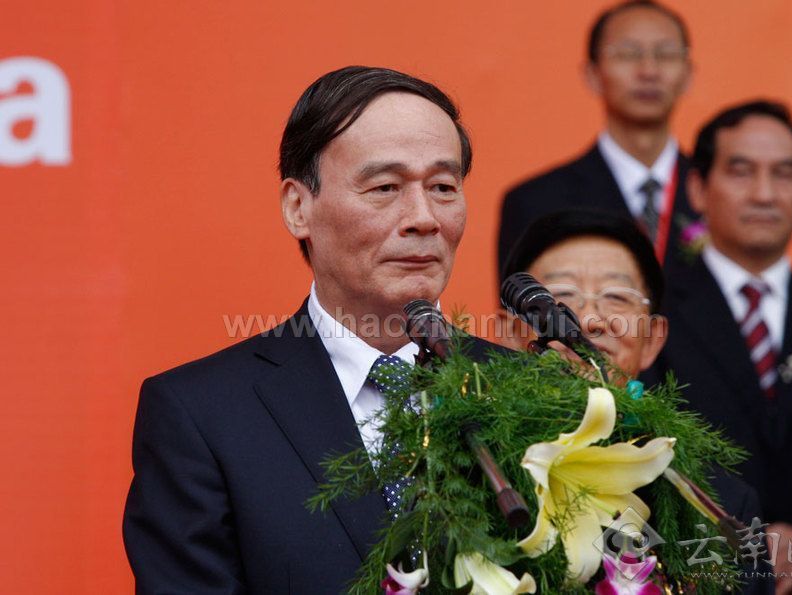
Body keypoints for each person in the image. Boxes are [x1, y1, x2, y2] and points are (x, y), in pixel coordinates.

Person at [122, 66, 505, 594]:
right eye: (385, 187)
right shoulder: (202, 416)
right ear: (298, 208)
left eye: (443, 187)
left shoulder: (529, 392)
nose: (424, 218)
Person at [499, 208, 772, 594]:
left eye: (616, 297)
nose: (589, 320)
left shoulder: (720, 507)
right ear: (510, 333)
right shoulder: (474, 468)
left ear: (653, 339)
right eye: (559, 297)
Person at [643, 100, 792, 593]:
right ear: (697, 188)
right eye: (741, 171)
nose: (764, 194)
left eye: (784, 174)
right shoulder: (651, 317)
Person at [497, 0, 697, 284]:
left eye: (665, 54)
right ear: (592, 74)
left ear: (688, 74)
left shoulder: (720, 196)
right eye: (628, 54)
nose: (649, 70)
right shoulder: (537, 203)